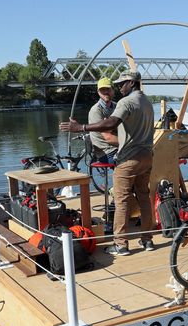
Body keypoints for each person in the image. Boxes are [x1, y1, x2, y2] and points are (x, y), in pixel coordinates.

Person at [59, 70, 155, 255]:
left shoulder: (126, 102)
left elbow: (110, 124)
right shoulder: (147, 102)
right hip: (147, 156)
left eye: (121, 83)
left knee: (122, 200)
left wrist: (81, 127)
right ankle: (147, 240)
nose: (119, 87)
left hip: (129, 158)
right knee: (143, 197)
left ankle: (120, 244)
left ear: (132, 83)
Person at [87, 77, 119, 164]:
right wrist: (131, 143)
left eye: (108, 89)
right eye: (102, 90)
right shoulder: (96, 110)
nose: (105, 92)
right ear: (98, 92)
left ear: (113, 90)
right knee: (133, 161)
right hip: (106, 152)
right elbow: (109, 138)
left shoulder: (117, 106)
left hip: (117, 147)